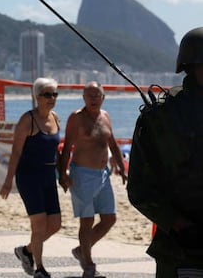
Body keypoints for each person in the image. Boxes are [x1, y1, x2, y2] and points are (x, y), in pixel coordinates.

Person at [127, 27, 203, 277]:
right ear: (191, 66)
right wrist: (178, 224)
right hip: (181, 249)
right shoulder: (159, 117)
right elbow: (139, 189)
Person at [58, 81, 127, 278]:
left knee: (109, 219)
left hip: (103, 174)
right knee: (86, 221)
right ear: (84, 98)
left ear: (103, 98)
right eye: (90, 95)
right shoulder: (76, 118)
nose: (94, 98)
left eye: (97, 95)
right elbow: (66, 147)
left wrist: (122, 168)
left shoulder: (105, 116)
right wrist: (63, 174)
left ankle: (81, 251)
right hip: (82, 174)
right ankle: (89, 266)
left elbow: (112, 144)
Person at [0, 77, 62, 278]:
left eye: (54, 94)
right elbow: (16, 152)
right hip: (29, 176)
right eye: (47, 95)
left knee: (55, 224)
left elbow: (56, 151)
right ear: (37, 97)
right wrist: (8, 180)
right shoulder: (28, 120)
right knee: (39, 224)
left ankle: (26, 251)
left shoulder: (56, 118)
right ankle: (39, 268)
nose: (51, 98)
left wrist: (63, 174)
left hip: (48, 176)